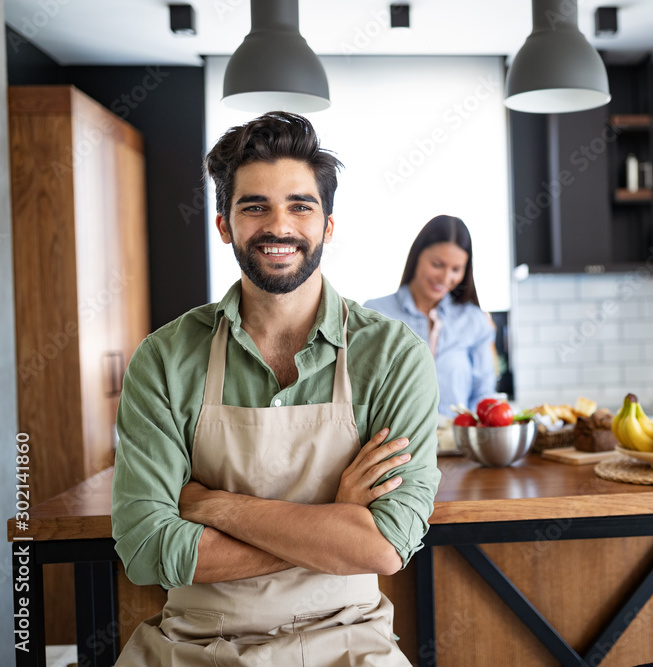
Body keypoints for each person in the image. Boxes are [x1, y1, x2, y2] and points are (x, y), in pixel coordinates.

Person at [111, 111, 440, 666]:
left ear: (327, 226)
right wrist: (332, 524)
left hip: (350, 640)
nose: (278, 225)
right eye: (254, 206)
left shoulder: (392, 355)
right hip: (194, 645)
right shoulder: (164, 360)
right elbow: (147, 550)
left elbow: (384, 546)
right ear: (224, 225)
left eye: (300, 206)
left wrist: (213, 506)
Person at [365, 215, 497, 417]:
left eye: (456, 269)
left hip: (457, 445)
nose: (445, 278)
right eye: (437, 264)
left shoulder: (474, 322)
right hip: (397, 443)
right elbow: (362, 390)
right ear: (417, 256)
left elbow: (484, 394)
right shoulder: (376, 314)